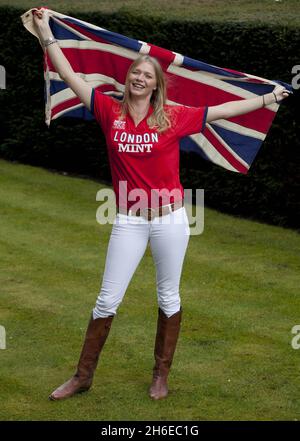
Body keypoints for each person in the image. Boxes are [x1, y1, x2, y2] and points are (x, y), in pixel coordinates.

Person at [32, 8, 290, 401]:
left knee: (169, 296)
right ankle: (83, 377)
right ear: (129, 79)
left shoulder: (175, 116)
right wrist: (46, 33)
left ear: (156, 84)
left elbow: (223, 112)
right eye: (135, 73)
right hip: (129, 221)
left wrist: (270, 97)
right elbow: (70, 76)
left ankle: (160, 377)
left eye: (146, 76)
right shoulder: (108, 110)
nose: (139, 79)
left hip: (169, 219)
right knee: (107, 298)